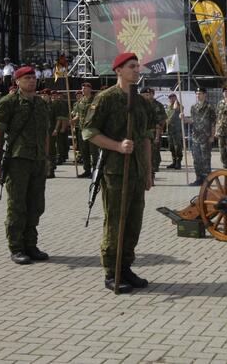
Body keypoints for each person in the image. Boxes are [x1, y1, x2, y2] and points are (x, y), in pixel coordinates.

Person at [82, 52, 154, 293]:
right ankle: (111, 272)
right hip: (114, 172)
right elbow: (89, 132)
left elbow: (145, 138)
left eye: (137, 67)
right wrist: (117, 146)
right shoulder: (105, 99)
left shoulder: (142, 102)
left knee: (134, 222)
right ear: (118, 71)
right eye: (131, 67)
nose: (136, 70)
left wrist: (148, 171)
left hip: (136, 171)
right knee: (116, 221)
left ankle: (125, 268)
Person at [0, 66, 50, 264]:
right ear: (17, 81)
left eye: (33, 77)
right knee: (17, 205)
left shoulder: (41, 103)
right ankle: (16, 247)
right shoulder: (9, 102)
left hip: (38, 161)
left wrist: (46, 158)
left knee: (35, 205)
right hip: (17, 161)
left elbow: (45, 134)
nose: (32, 80)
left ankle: (30, 245)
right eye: (27, 78)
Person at [189, 87, 215, 185]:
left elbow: (213, 123)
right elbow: (192, 120)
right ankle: (199, 179)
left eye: (200, 93)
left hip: (206, 137)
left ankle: (207, 181)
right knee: (196, 159)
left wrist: (212, 136)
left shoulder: (210, 107)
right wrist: (184, 119)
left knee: (206, 160)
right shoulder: (193, 107)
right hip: (196, 137)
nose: (198, 95)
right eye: (197, 93)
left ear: (205, 95)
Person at [71, 82, 97, 177]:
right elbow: (78, 115)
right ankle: (87, 170)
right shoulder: (80, 101)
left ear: (90, 89)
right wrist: (73, 120)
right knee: (84, 151)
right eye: (82, 88)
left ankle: (95, 171)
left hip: (91, 130)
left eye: (85, 88)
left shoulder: (95, 100)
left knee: (93, 152)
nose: (83, 90)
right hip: (82, 129)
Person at [140, 87, 166, 173]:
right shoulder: (139, 104)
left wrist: (158, 134)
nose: (149, 96)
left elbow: (161, 120)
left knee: (154, 152)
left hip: (154, 132)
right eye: (146, 94)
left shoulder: (158, 105)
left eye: (150, 94)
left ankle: (153, 170)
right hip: (141, 133)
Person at [165, 93, 184, 169]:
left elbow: (179, 111)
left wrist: (176, 107)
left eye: (172, 98)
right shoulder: (169, 107)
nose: (171, 99)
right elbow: (167, 117)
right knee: (171, 147)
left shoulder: (179, 106)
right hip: (170, 130)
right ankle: (174, 162)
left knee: (177, 147)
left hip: (177, 130)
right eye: (170, 98)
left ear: (175, 98)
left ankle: (178, 162)